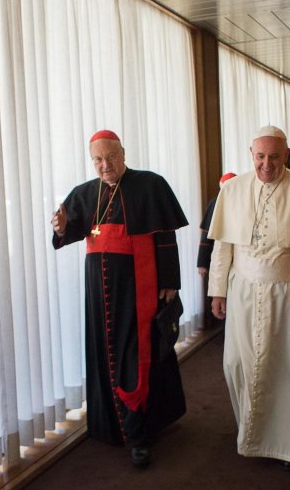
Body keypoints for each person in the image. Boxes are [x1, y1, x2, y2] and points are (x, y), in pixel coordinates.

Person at [51, 129, 188, 469]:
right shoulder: (85, 193)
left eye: (110, 157)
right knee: (104, 351)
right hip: (100, 292)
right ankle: (107, 424)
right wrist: (60, 227)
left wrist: (170, 281)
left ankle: (139, 433)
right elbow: (68, 231)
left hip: (138, 286)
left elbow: (166, 237)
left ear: (122, 153)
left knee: (136, 353)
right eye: (97, 159)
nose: (104, 165)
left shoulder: (150, 185)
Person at [206, 126, 290, 470]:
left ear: (285, 154)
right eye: (260, 156)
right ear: (251, 154)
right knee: (237, 364)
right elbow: (222, 248)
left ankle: (288, 445)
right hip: (244, 291)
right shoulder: (232, 191)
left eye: (274, 156)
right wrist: (217, 291)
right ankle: (251, 434)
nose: (266, 164)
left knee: (289, 369)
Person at [197, 173, 237, 329]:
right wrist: (202, 263)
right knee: (220, 297)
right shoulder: (216, 202)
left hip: (237, 263)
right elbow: (206, 238)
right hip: (218, 259)